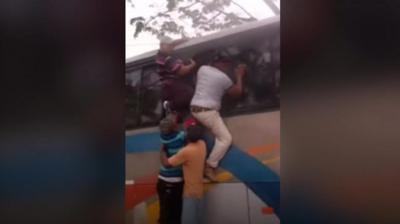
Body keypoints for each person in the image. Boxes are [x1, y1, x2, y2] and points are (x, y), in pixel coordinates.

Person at [190, 54, 247, 181]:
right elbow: (237, 93)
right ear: (221, 64)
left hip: (195, 110)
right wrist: (239, 75)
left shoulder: (202, 69)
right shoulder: (223, 78)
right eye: (226, 64)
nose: (228, 67)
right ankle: (209, 166)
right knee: (225, 139)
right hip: (207, 112)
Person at [161, 120, 207, 224]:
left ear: (188, 137)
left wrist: (163, 151)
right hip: (200, 192)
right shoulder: (202, 144)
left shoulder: (186, 151)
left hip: (190, 193)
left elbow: (166, 164)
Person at [156, 36, 197, 119]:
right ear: (162, 45)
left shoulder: (161, 55)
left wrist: (184, 40)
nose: (171, 48)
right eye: (169, 46)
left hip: (171, 85)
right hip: (171, 84)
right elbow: (182, 72)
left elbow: (173, 44)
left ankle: (180, 114)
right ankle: (169, 105)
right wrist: (192, 65)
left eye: (172, 45)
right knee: (190, 94)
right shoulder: (166, 59)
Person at [157, 113, 186, 224]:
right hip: (173, 181)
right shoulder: (181, 136)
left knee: (164, 214)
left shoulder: (163, 138)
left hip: (162, 180)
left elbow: (163, 153)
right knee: (174, 215)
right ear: (175, 127)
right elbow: (167, 164)